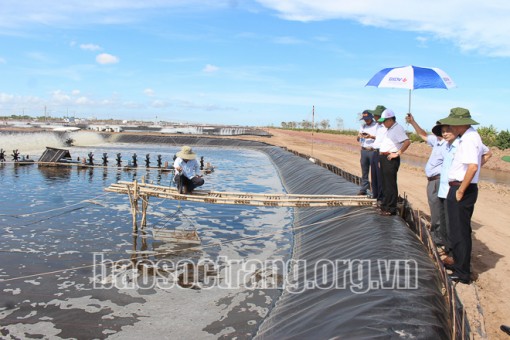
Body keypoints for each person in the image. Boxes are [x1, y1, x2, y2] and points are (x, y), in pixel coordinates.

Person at [439, 107, 485, 284]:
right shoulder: (468, 137)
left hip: (461, 188)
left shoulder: (468, 139)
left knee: (460, 232)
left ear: (460, 124)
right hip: (460, 187)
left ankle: (463, 273)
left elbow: (473, 167)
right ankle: (459, 263)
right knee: (458, 230)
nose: (449, 126)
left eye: (452, 123)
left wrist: (460, 190)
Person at [406, 114, 447, 248]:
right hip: (432, 180)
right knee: (434, 206)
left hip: (439, 180)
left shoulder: (448, 145)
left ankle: (438, 238)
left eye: (445, 129)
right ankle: (437, 234)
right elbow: (423, 135)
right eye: (441, 130)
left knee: (437, 208)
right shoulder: (437, 141)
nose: (443, 132)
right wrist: (413, 122)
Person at [377, 109, 411, 216]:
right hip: (384, 157)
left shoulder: (397, 128)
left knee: (390, 184)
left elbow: (407, 141)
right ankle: (385, 205)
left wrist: (398, 153)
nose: (383, 123)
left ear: (391, 119)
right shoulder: (389, 129)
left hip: (390, 158)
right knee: (385, 183)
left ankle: (390, 208)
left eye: (384, 121)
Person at [356, 110, 379, 195]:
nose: (366, 120)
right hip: (364, 150)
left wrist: (371, 136)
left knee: (374, 173)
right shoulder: (363, 126)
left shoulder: (377, 126)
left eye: (367, 119)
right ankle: (363, 189)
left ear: (371, 118)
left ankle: (375, 192)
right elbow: (358, 138)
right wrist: (359, 137)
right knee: (364, 171)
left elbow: (380, 138)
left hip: (372, 151)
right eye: (365, 119)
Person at [368, 105, 387, 203]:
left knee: (380, 177)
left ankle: (381, 198)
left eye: (375, 115)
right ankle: (375, 195)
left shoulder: (386, 128)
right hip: (374, 152)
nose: (373, 117)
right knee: (374, 175)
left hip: (380, 152)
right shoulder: (379, 127)